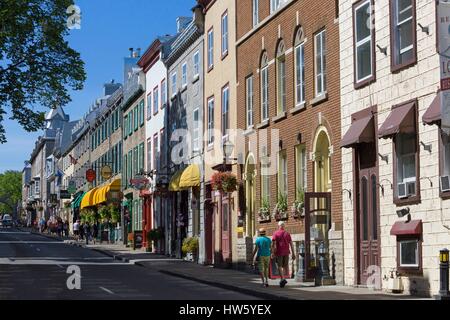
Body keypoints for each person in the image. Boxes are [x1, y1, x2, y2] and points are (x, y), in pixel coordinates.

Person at [271, 221, 295, 288]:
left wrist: (272, 253)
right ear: (284, 226)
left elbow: (273, 244)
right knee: (284, 266)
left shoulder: (275, 233)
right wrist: (293, 253)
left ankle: (282, 278)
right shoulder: (287, 233)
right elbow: (291, 244)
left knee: (279, 265)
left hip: (279, 252)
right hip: (286, 252)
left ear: (278, 226)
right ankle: (283, 278)